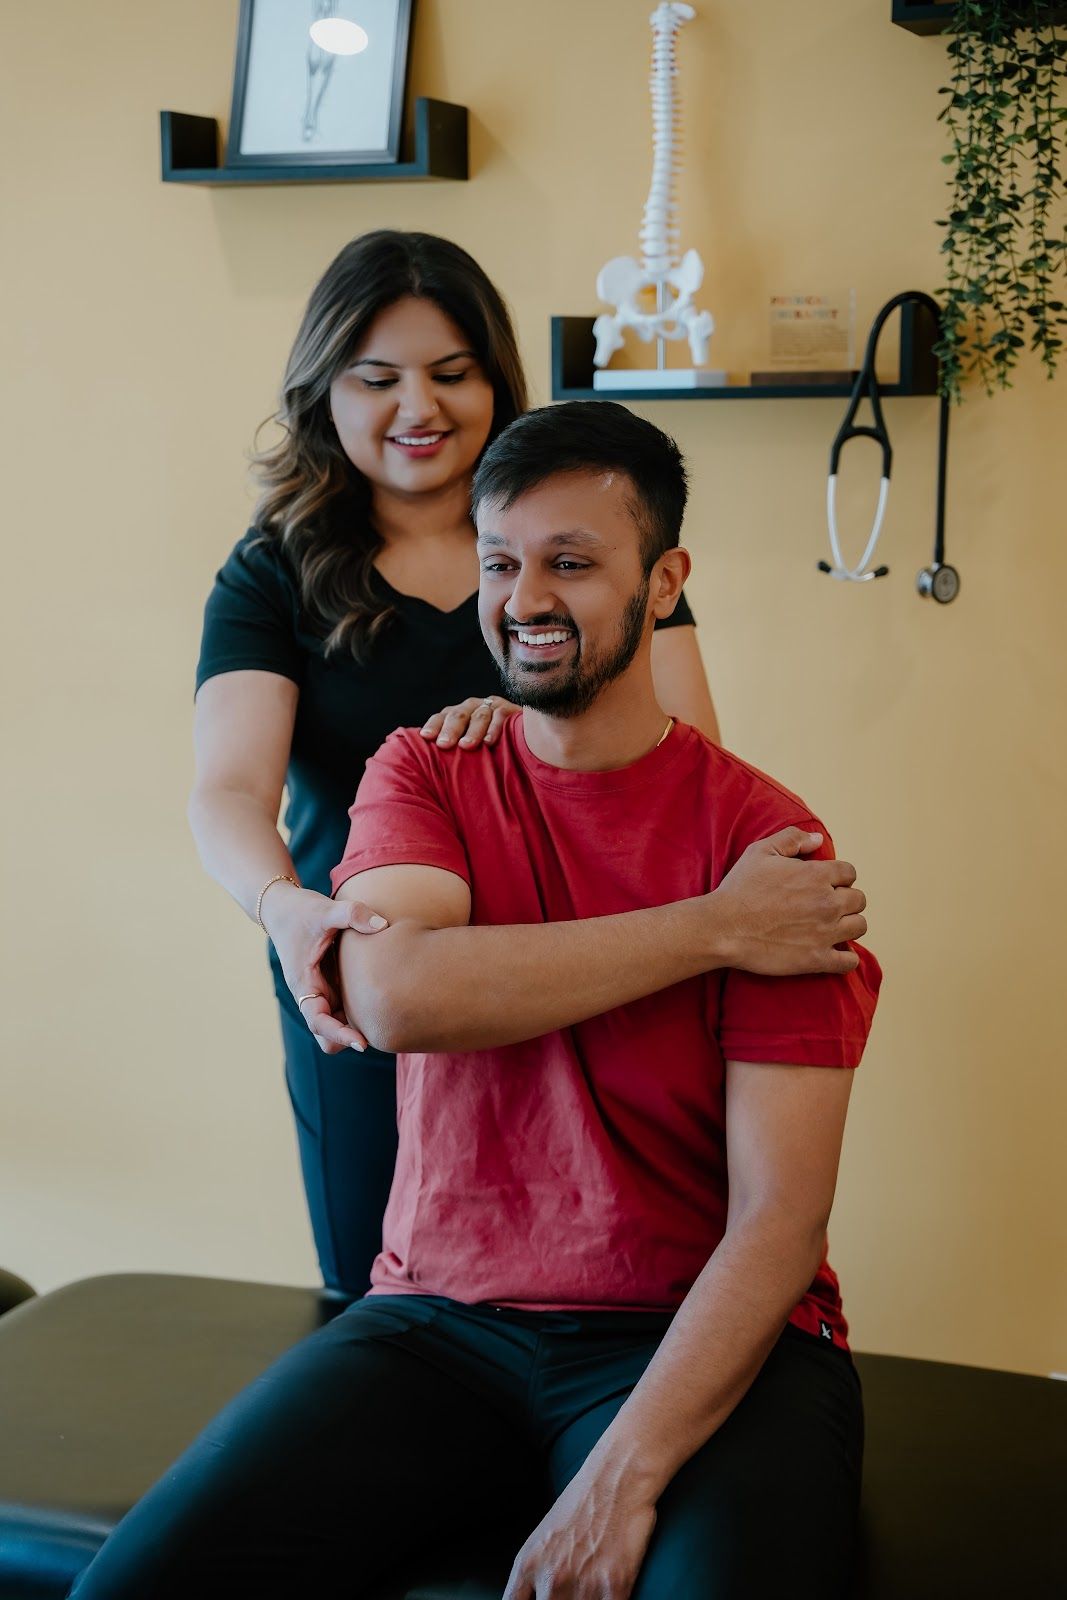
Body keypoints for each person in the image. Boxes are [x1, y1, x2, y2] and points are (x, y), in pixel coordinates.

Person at [73, 402, 879, 1599]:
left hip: (694, 1331)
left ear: (663, 584)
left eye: (570, 562)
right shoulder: (424, 771)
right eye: (501, 562)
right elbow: (393, 994)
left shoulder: (769, 851)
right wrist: (708, 931)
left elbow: (775, 1223)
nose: (523, 598)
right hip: (442, 1321)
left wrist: (618, 1481)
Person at [188, 230, 722, 1298]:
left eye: (451, 372)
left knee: (601, 1295)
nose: (417, 408)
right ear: (323, 390)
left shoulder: (576, 537)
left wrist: (538, 715)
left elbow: (690, 756)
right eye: (377, 379)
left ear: (496, 380)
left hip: (586, 963)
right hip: (372, 981)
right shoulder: (274, 567)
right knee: (381, 1297)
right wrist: (287, 909)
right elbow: (229, 790)